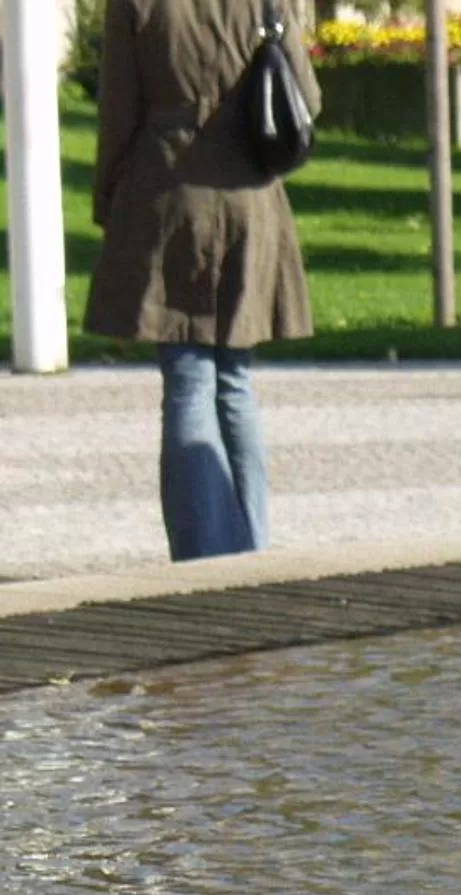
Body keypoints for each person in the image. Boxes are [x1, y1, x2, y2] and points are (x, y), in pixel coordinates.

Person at [86, 0, 319, 563]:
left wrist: (108, 199)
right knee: (235, 384)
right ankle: (252, 547)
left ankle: (203, 555)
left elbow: (119, 109)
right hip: (250, 196)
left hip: (168, 189)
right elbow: (306, 100)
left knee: (188, 382)